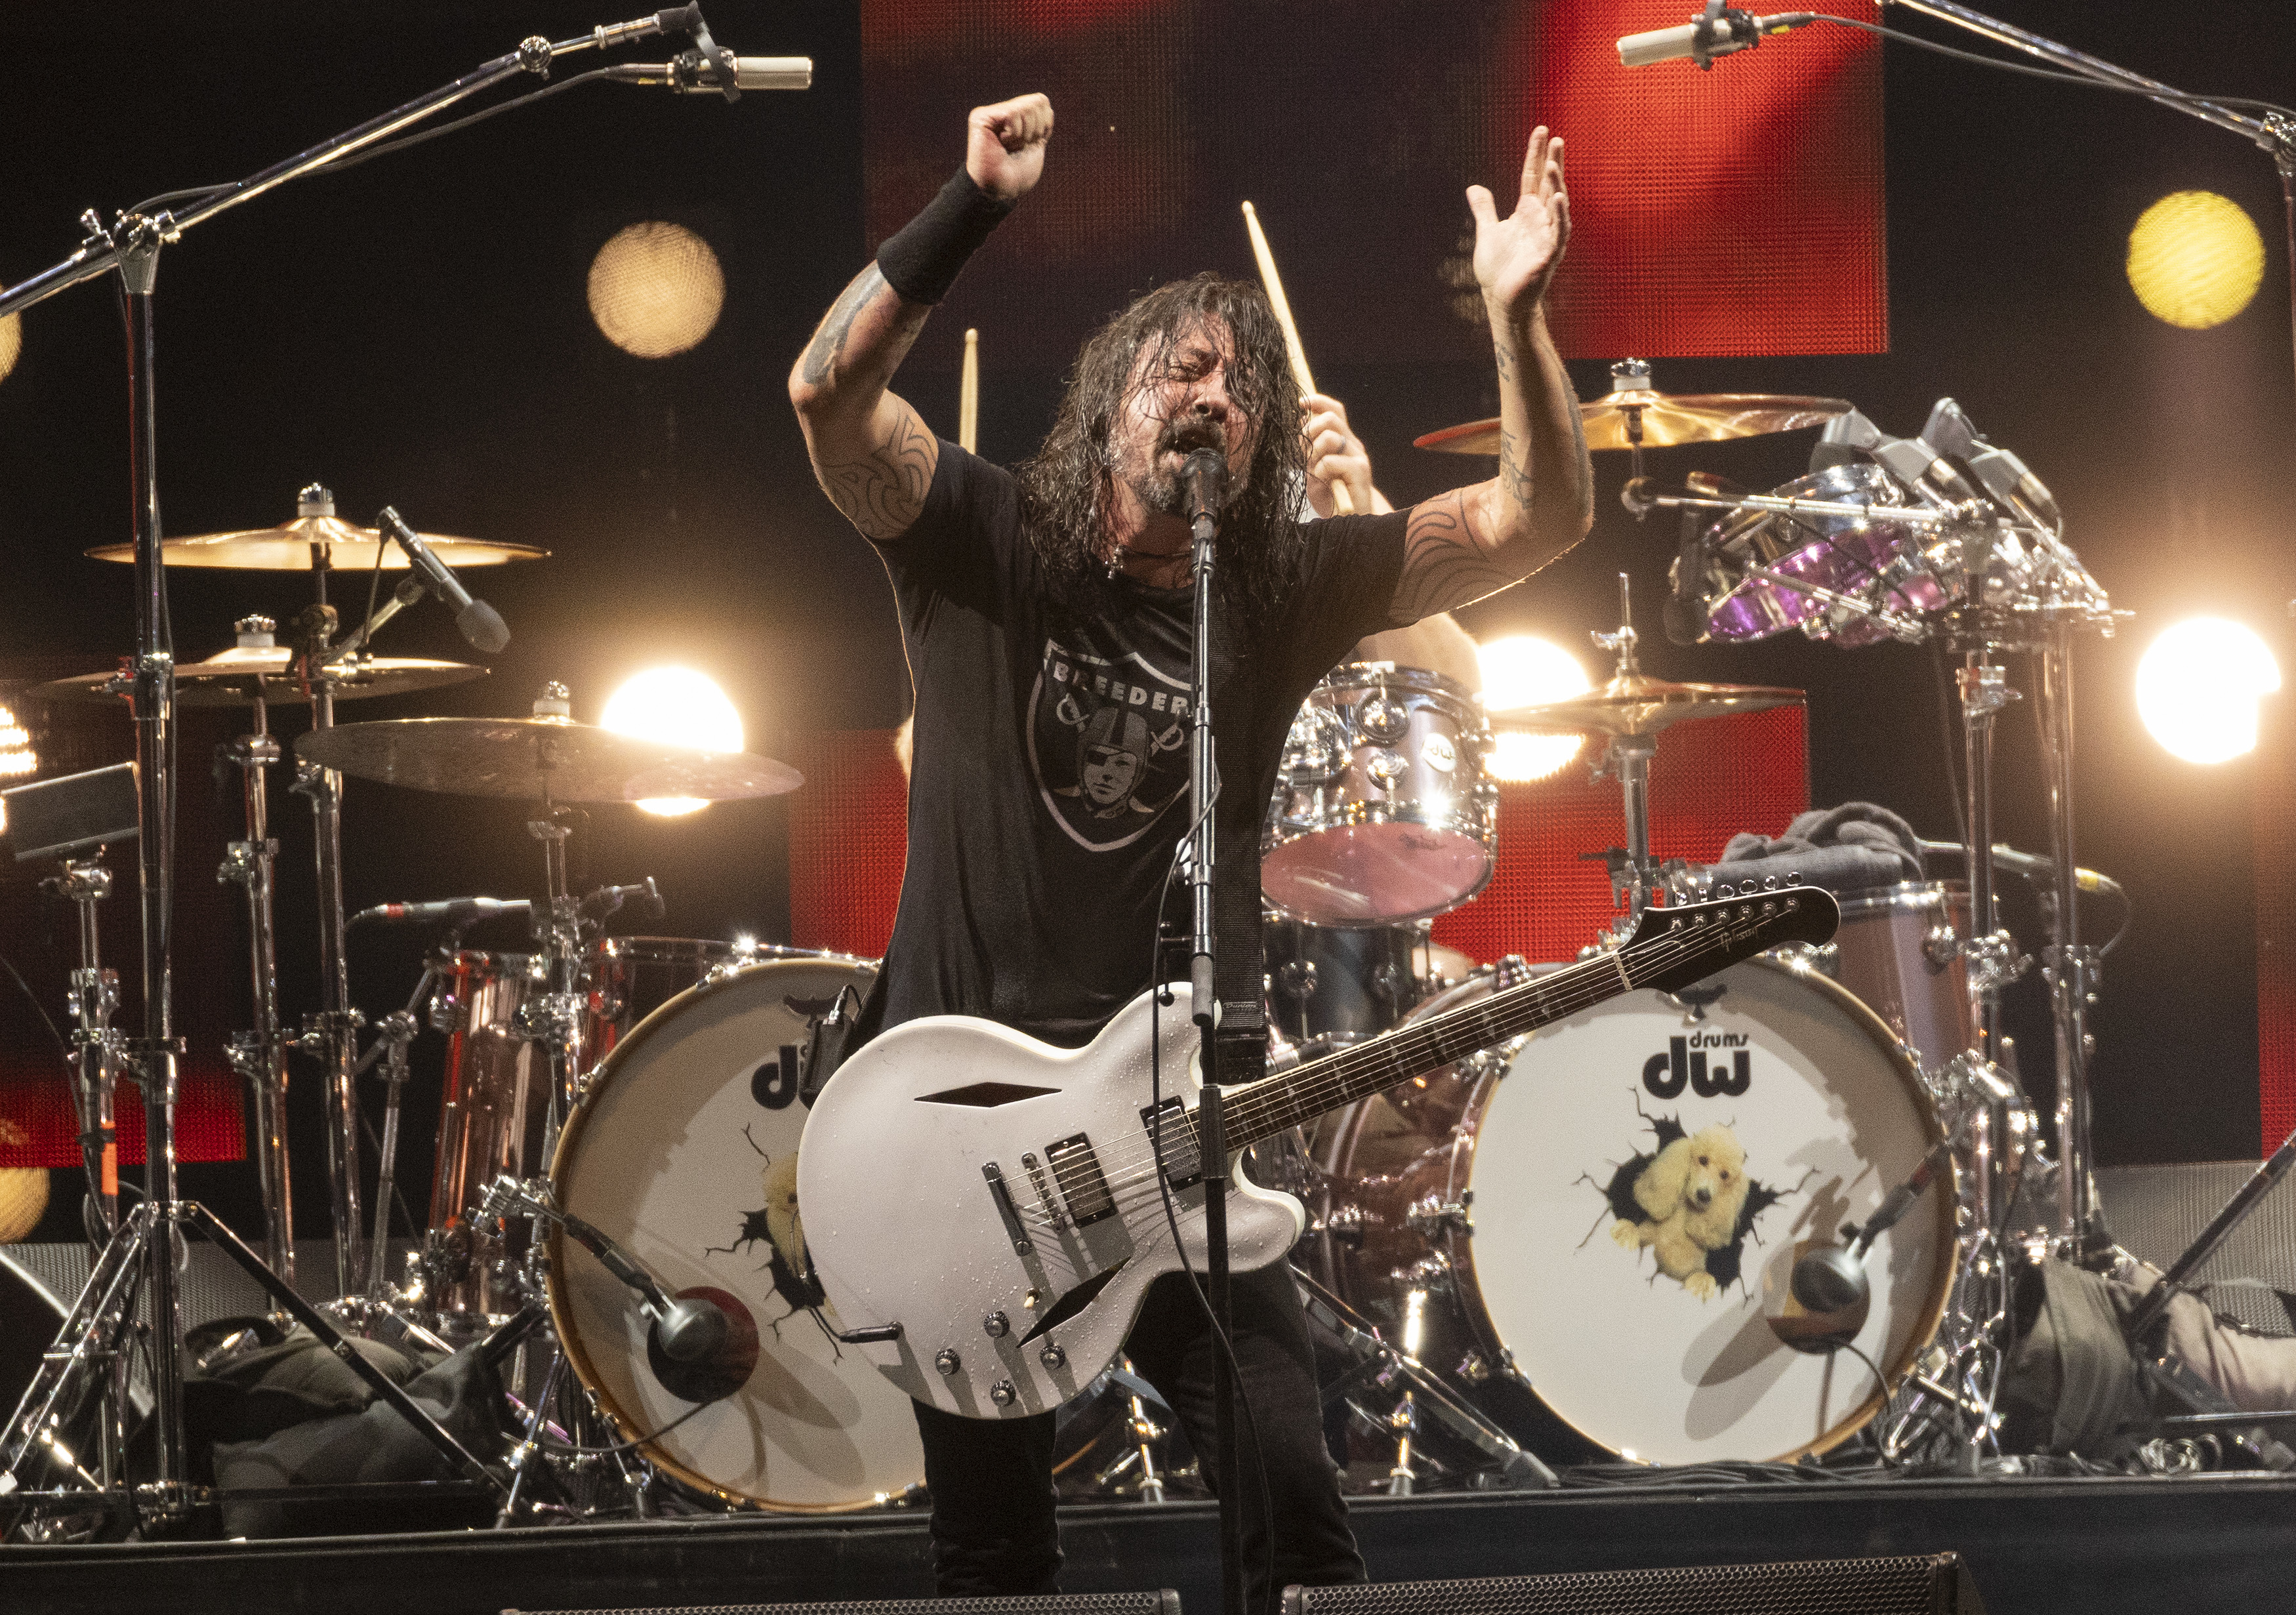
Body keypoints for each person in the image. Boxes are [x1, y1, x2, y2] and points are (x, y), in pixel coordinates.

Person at [786, 90, 1591, 1606]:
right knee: (996, 1553)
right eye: (1187, 368)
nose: (1219, 395)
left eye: (1246, 385)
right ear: (1115, 397)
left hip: (1177, 1130)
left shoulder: (1278, 587)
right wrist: (968, 203)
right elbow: (826, 399)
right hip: (955, 1130)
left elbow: (1538, 519)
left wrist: (1518, 318)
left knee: (1297, 1516)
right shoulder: (985, 538)